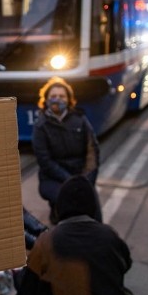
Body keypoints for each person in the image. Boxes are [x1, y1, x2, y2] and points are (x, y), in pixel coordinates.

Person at [10, 176, 138, 295]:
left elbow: (29, 289)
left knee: (27, 279)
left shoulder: (47, 241)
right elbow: (125, 265)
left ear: (60, 206)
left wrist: (18, 274)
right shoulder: (109, 235)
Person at [32, 76, 100, 222]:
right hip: (53, 178)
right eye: (53, 96)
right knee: (66, 200)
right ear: (46, 99)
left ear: (69, 99)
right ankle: (59, 221)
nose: (57, 99)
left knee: (91, 202)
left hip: (80, 174)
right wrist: (69, 180)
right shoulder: (40, 126)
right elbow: (45, 161)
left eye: (62, 96)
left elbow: (92, 150)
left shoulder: (80, 120)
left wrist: (87, 179)